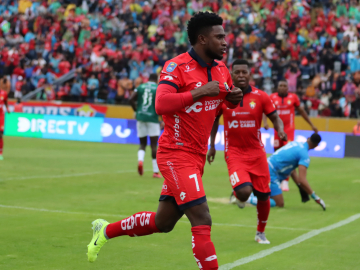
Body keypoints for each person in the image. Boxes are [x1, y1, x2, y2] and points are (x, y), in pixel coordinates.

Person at [87, 12, 243, 270]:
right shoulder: (176, 67)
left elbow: (218, 107)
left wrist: (232, 100)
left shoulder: (221, 69)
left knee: (164, 223)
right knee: (202, 218)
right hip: (175, 153)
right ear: (202, 39)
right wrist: (200, 91)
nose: (226, 42)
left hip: (195, 156)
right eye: (220, 37)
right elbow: (161, 103)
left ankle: (105, 231)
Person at [207, 59, 287, 244]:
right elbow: (214, 121)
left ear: (250, 74)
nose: (241, 75)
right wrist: (211, 146)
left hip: (257, 153)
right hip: (234, 152)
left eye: (244, 72)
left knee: (264, 196)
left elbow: (275, 118)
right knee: (244, 192)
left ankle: (260, 232)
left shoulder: (261, 96)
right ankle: (238, 195)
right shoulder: (223, 96)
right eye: (237, 72)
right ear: (231, 74)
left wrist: (280, 130)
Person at [247, 134, 327, 211]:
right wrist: (315, 197)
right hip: (271, 172)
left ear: (308, 138)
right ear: (316, 145)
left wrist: (299, 186)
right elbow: (302, 180)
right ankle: (247, 199)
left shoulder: (295, 143)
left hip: (267, 165)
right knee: (279, 203)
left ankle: (247, 195)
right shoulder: (304, 155)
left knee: (267, 195)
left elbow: (292, 170)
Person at [265, 80, 318, 191]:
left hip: (288, 130)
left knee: (289, 156)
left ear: (288, 88)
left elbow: (302, 111)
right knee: (277, 154)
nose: (283, 87)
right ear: (277, 87)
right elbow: (265, 110)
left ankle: (285, 181)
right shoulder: (272, 97)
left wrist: (312, 125)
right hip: (277, 130)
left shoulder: (293, 97)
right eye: (281, 85)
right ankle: (277, 178)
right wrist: (265, 122)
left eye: (285, 86)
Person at [129, 73, 163, 178]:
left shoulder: (141, 86)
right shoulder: (158, 88)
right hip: (152, 118)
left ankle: (140, 161)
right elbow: (161, 103)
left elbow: (131, 99)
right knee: (153, 145)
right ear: (156, 79)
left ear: (148, 79)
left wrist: (136, 110)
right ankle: (155, 172)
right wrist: (162, 118)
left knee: (142, 144)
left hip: (140, 117)